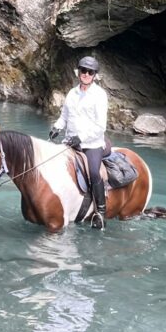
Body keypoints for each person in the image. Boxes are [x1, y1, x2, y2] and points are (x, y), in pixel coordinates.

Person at [49, 56, 109, 229]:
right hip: (70, 142)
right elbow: (64, 117)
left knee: (94, 172)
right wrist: (57, 127)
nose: (86, 74)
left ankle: (100, 213)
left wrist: (81, 137)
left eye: (90, 72)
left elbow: (100, 126)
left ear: (94, 75)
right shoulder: (71, 93)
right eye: (84, 70)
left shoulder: (100, 95)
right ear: (78, 72)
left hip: (92, 144)